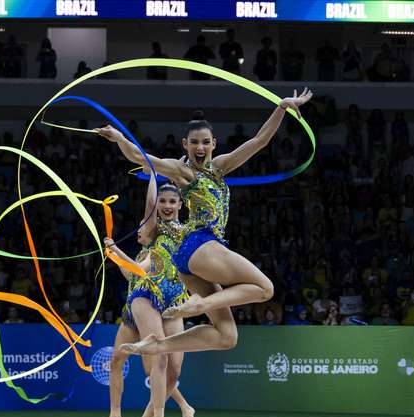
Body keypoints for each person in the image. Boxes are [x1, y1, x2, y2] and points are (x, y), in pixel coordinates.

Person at [95, 87, 313, 357]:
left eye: (205, 142)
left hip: (191, 261)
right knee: (265, 288)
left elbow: (259, 141)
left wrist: (281, 107)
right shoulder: (182, 170)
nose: (200, 147)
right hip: (201, 243)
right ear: (185, 144)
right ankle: (198, 306)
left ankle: (158, 344)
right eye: (194, 142)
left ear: (214, 144)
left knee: (226, 336)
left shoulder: (220, 167)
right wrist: (119, 138)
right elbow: (140, 158)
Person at [99, 173, 195, 417]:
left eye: (172, 201)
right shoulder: (152, 233)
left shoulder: (188, 231)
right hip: (148, 298)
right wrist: (151, 170)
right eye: (162, 201)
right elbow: (135, 272)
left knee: (174, 373)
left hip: (175, 300)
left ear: (180, 204)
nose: (166, 205)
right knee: (158, 360)